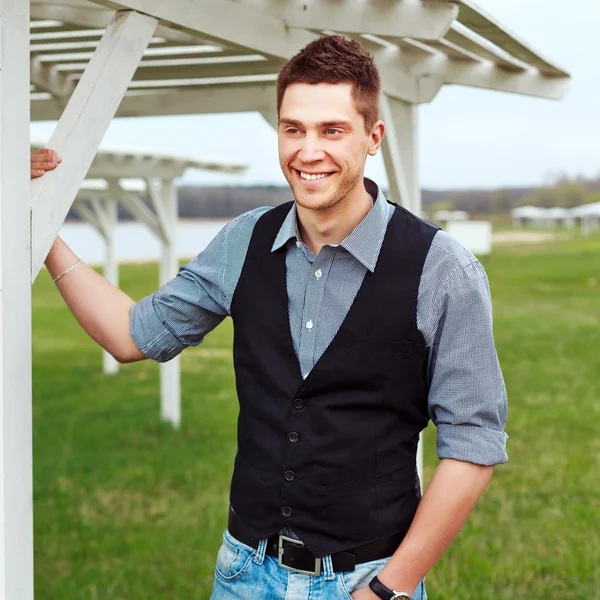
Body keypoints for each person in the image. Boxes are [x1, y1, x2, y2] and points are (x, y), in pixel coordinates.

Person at [38, 36, 507, 600]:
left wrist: (389, 588)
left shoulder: (443, 268)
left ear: (372, 137)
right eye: (293, 129)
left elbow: (472, 445)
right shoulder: (245, 241)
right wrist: (39, 227)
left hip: (367, 581)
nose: (309, 152)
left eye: (331, 130)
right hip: (243, 574)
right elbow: (132, 334)